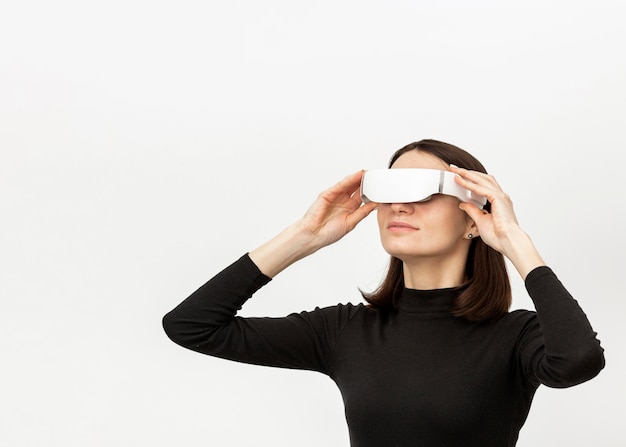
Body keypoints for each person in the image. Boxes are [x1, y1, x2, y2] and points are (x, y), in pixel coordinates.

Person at [162, 139, 605, 446]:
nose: (400, 206)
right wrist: (304, 235)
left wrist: (515, 242)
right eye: (390, 189)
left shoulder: (515, 336)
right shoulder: (345, 330)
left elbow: (578, 361)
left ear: (474, 220)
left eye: (424, 191)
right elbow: (191, 326)